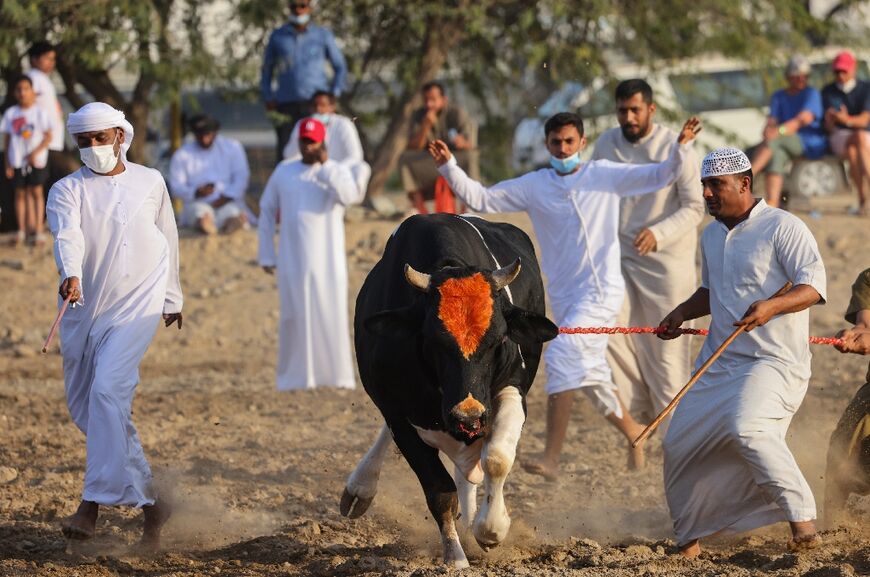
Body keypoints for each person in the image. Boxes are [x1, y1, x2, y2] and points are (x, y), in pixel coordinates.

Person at [428, 111, 702, 478]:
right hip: (566, 296)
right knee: (586, 369)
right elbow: (482, 198)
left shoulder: (602, 174)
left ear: (582, 143)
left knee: (561, 356)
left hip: (602, 291)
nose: (563, 148)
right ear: (547, 145)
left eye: (569, 142)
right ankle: (633, 431)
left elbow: (661, 174)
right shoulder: (536, 184)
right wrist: (449, 166)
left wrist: (682, 147)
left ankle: (552, 458)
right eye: (556, 143)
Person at [657, 147, 826, 557]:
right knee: (678, 442)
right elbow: (713, 292)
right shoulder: (711, 234)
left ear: (744, 184)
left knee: (748, 428)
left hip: (774, 361)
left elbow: (813, 287)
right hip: (720, 360)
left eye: (716, 185)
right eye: (704, 186)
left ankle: (803, 525)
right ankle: (690, 540)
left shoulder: (784, 227)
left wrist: (772, 307)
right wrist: (681, 311)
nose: (708, 194)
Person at [46, 102, 183, 550]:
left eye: (99, 139)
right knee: (96, 411)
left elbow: (168, 237)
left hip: (137, 308)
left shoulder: (150, 181)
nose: (92, 148)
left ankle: (91, 505)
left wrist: (172, 296)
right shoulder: (66, 189)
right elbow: (68, 234)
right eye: (83, 141)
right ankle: (151, 505)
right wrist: (70, 273)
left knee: (108, 393)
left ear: (120, 137)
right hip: (85, 309)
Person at [592, 79, 704, 463]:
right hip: (617, 259)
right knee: (608, 335)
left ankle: (679, 449)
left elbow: (695, 207)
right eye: (622, 110)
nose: (628, 117)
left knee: (665, 355)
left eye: (635, 110)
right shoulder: (606, 143)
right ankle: (640, 423)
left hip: (666, 265)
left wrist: (659, 233)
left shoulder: (678, 146)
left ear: (651, 109)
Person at [258, 118, 363, 390]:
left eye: (313, 141)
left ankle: (336, 377)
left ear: (322, 142)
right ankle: (295, 378)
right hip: (292, 260)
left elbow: (350, 196)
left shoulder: (335, 171)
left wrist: (327, 165)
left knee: (330, 315)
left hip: (329, 262)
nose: (308, 146)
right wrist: (267, 255)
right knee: (294, 317)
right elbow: (267, 210)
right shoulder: (284, 171)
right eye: (304, 141)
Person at [261, 0, 347, 163]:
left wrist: (332, 96)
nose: (299, 10)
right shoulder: (278, 36)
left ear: (309, 7)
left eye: (302, 5)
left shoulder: (322, 35)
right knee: (286, 153)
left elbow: (340, 66)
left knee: (317, 149)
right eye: (294, 6)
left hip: (315, 105)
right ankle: (286, 188)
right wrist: (268, 96)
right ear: (289, 8)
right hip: (286, 104)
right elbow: (267, 69)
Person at [825, 267, 870, 525]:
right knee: (843, 447)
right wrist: (856, 336)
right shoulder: (868, 279)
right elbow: (865, 325)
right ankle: (835, 528)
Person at [751, 55, 826, 208]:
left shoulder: (811, 94)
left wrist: (778, 131)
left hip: (808, 142)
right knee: (776, 154)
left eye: (805, 76)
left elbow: (800, 121)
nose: (801, 80)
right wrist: (768, 129)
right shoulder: (779, 96)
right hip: (784, 142)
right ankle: (773, 202)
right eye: (797, 77)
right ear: (788, 77)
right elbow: (772, 120)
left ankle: (747, 175)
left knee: (774, 141)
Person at [401, 81, 478, 215]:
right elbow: (415, 147)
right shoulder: (419, 115)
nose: (429, 104)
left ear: (443, 99)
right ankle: (418, 209)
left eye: (433, 100)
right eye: (426, 100)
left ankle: (468, 206)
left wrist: (463, 143)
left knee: (470, 156)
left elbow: (471, 144)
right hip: (431, 162)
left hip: (454, 160)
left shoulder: (457, 113)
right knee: (406, 159)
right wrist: (425, 126)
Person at [169, 114, 250, 235]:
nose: (204, 139)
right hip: (198, 202)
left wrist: (227, 196)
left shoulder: (232, 147)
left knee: (231, 212)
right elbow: (176, 186)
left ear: (215, 133)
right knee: (199, 212)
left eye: (208, 135)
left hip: (228, 200)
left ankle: (232, 222)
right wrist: (196, 192)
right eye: (200, 136)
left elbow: (242, 177)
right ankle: (205, 224)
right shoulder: (182, 154)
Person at [283, 90, 370, 195]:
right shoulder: (303, 125)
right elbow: (289, 156)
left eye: (323, 105)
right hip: (307, 177)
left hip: (337, 178)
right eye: (315, 105)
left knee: (362, 168)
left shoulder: (343, 124)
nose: (318, 109)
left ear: (332, 107)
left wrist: (330, 169)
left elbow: (355, 156)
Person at [1, 75, 53, 246]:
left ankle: (38, 230)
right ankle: (21, 230)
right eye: (19, 90)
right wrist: (8, 162)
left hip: (36, 161)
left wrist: (34, 153)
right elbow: (7, 140)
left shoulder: (39, 113)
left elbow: (48, 136)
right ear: (15, 93)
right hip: (17, 161)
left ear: (32, 91)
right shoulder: (11, 113)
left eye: (26, 89)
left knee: (36, 192)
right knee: (20, 194)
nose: (22, 93)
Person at [821, 51, 870, 216]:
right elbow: (827, 128)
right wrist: (831, 121)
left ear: (853, 69)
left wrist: (846, 119)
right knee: (858, 138)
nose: (840, 75)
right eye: (837, 71)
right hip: (840, 137)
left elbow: (864, 121)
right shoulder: (828, 91)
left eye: (844, 71)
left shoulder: (865, 88)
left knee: (854, 148)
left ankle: (863, 200)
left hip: (860, 137)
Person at [26, 41, 65, 162]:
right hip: (41, 142)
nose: (51, 63)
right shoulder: (33, 77)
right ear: (34, 59)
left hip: (51, 141)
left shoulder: (42, 78)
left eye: (53, 59)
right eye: (47, 58)